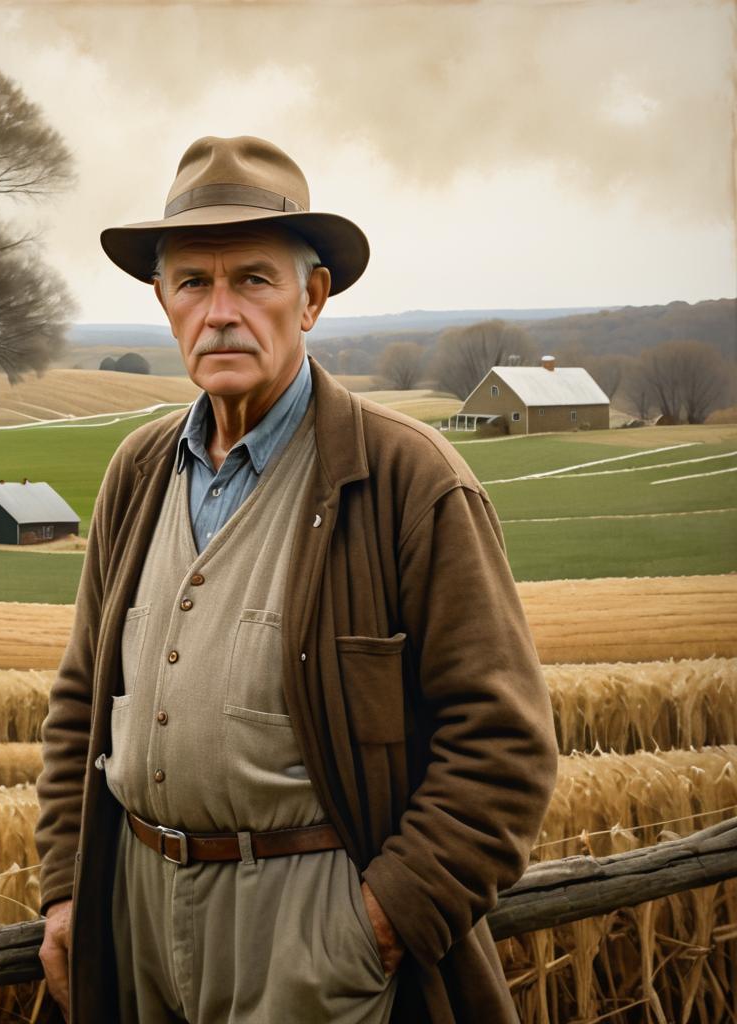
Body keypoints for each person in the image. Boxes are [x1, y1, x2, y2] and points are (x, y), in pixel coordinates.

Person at [34, 135, 559, 1024]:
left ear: (312, 297)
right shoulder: (137, 471)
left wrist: (374, 928)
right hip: (135, 923)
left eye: (254, 280)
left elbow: (503, 749)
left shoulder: (408, 481)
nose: (220, 312)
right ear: (163, 303)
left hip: (312, 929)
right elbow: (83, 696)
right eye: (193, 282)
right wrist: (64, 889)